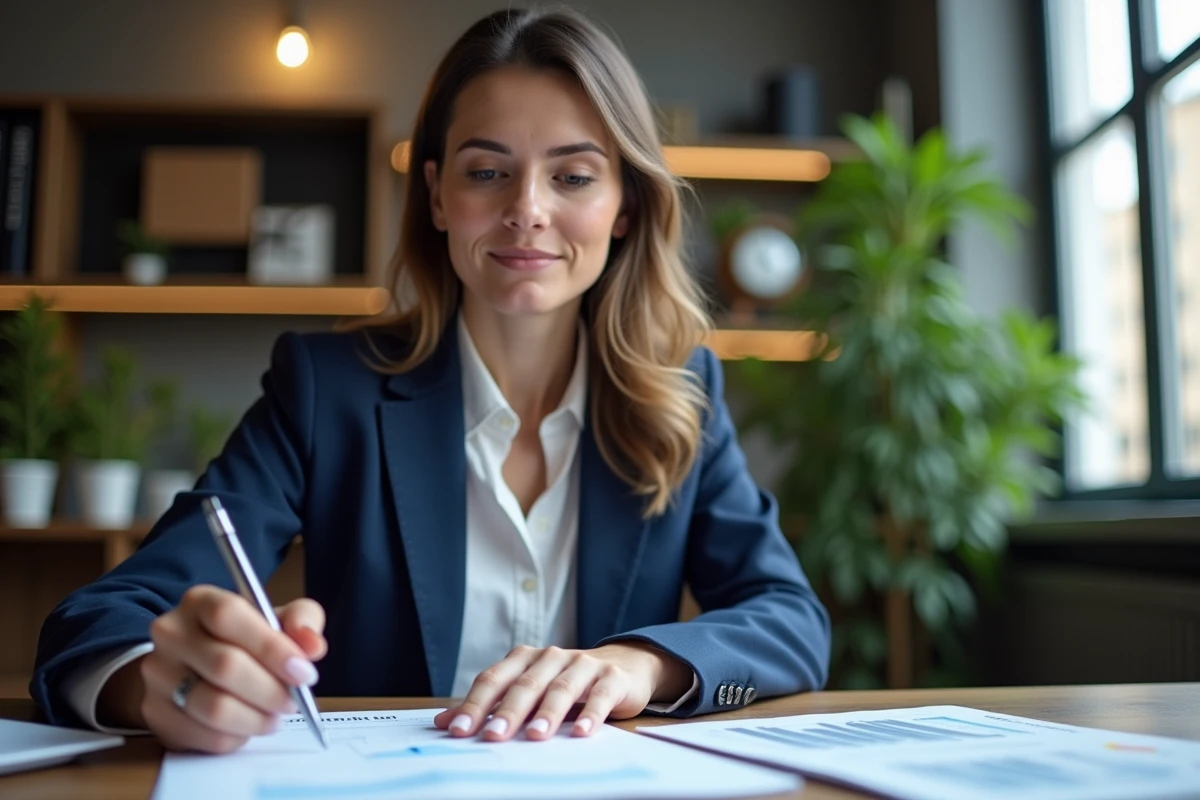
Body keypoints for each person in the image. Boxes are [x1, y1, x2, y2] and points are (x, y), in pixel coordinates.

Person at [32, 6, 830, 754]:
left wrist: (638, 666)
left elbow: (790, 622)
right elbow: (97, 621)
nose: (527, 210)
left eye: (574, 177)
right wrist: (159, 683)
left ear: (625, 206)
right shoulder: (325, 390)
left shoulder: (683, 391)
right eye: (487, 173)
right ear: (438, 194)